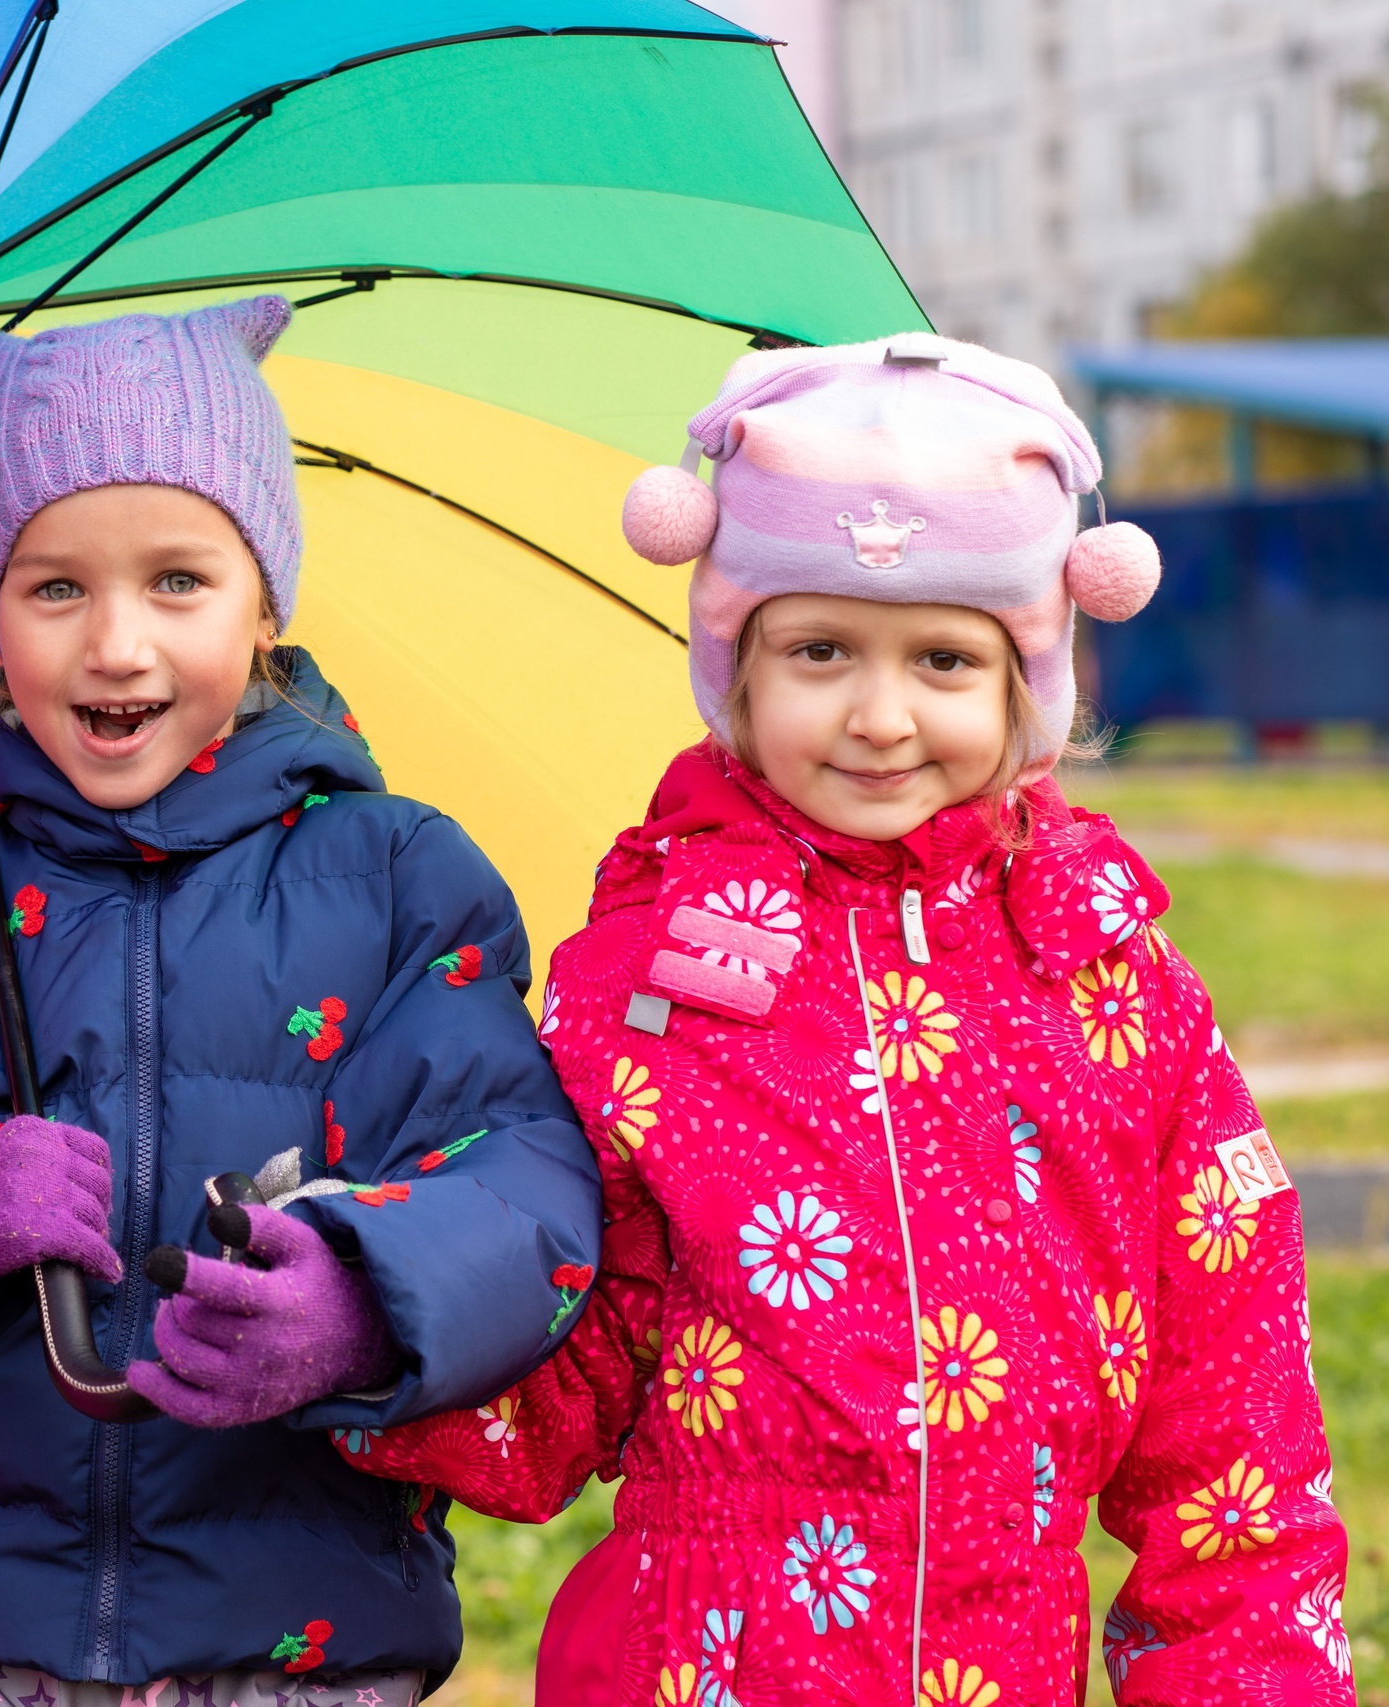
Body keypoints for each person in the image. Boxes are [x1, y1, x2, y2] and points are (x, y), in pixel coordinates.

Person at [335, 334, 1351, 1705]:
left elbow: (1235, 1443)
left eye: (942, 658)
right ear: (736, 671)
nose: (880, 716)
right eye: (819, 650)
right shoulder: (647, 981)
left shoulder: (1118, 988)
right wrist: (360, 1321)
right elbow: (561, 1371)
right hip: (701, 1670)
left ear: (1026, 686)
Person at [0, 297, 601, 1706]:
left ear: (266, 597)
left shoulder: (399, 880)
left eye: (177, 582)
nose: (115, 645)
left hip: (301, 1641)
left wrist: (358, 1297)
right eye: (53, 589)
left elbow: (521, 1183)